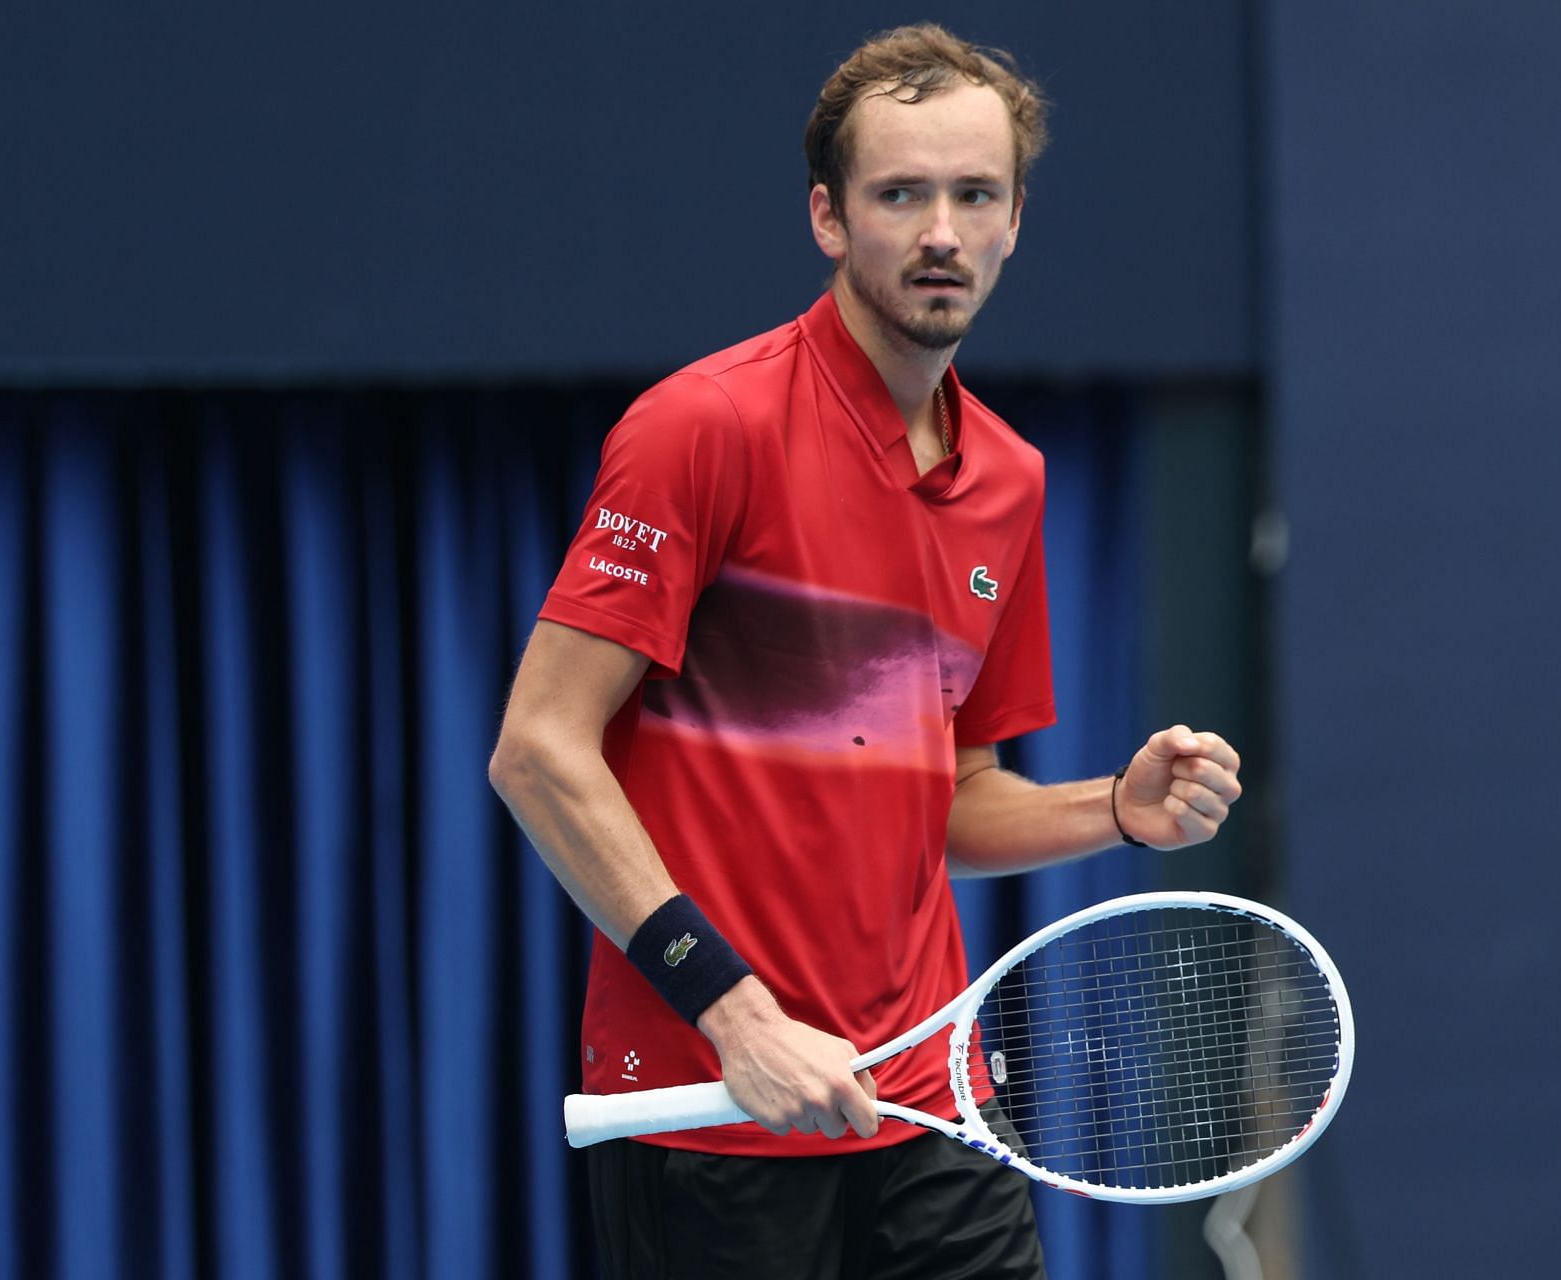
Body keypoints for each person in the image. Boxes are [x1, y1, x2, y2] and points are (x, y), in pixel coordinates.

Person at [489, 23, 1244, 1279]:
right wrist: (735, 1014)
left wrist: (1117, 808)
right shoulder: (702, 427)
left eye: (974, 194)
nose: (940, 229)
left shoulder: (1010, 476)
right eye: (901, 193)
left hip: (929, 1101)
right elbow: (540, 751)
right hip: (716, 1100)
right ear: (831, 220)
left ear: (1014, 223)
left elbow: (955, 800)